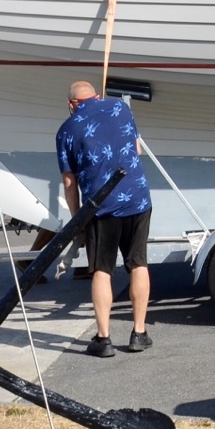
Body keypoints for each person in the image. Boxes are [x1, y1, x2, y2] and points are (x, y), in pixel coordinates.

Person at [55, 79, 154, 358]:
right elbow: (137, 149)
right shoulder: (121, 108)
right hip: (137, 199)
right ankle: (139, 333)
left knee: (102, 270)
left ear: (71, 104)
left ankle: (104, 339)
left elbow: (69, 182)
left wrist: (78, 218)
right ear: (97, 96)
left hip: (101, 207)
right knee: (138, 263)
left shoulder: (67, 130)